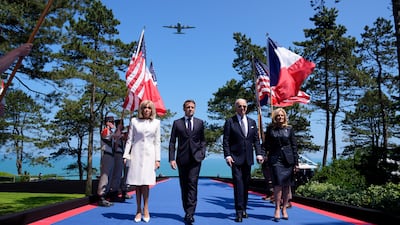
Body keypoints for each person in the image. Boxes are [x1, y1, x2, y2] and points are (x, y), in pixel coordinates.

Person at [223, 98, 264, 222]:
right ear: (236, 107)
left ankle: (244, 208)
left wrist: (259, 154)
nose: (242, 108)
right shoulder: (230, 122)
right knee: (238, 185)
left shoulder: (252, 122)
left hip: (248, 159)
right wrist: (228, 155)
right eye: (240, 106)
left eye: (244, 106)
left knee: (246, 185)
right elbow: (226, 140)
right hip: (235, 159)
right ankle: (239, 211)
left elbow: (256, 140)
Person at [169, 99, 206, 225]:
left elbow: (202, 140)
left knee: (192, 184)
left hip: (196, 159)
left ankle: (190, 213)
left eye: (192, 107)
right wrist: (171, 158)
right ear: (184, 109)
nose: (190, 109)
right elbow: (172, 141)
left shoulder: (200, 123)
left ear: (195, 109)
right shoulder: (177, 123)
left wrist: (202, 153)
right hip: (182, 159)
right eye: (188, 107)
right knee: (184, 185)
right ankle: (186, 209)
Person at [123, 100, 161, 223]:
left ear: (152, 110)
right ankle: (138, 210)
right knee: (137, 184)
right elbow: (129, 140)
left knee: (146, 183)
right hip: (136, 154)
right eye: (144, 107)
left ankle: (146, 209)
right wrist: (125, 155)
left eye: (149, 108)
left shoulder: (156, 123)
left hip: (150, 156)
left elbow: (157, 142)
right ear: (141, 109)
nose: (146, 110)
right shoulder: (134, 121)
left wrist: (157, 159)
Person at [263, 108, 299, 222]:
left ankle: (284, 208)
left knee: (286, 186)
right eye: (278, 115)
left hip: (288, 161)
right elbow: (265, 145)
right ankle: (277, 208)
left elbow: (294, 146)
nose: (280, 117)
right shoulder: (270, 130)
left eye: (282, 116)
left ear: (285, 117)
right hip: (275, 160)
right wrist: (262, 155)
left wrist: (296, 163)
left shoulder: (289, 129)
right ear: (274, 117)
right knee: (278, 184)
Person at [97, 116, 119, 207]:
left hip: (111, 156)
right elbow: (109, 136)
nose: (113, 124)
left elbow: (116, 145)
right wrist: (118, 132)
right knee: (105, 176)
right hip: (106, 155)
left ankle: (105, 195)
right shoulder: (105, 130)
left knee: (109, 177)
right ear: (107, 123)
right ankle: (101, 196)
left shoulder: (111, 133)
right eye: (112, 122)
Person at [109, 119, 125, 202]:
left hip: (121, 154)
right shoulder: (116, 133)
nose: (123, 126)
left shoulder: (121, 134)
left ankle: (116, 191)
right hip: (117, 154)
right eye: (121, 124)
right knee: (116, 174)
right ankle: (113, 193)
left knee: (119, 174)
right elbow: (115, 143)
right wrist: (118, 129)